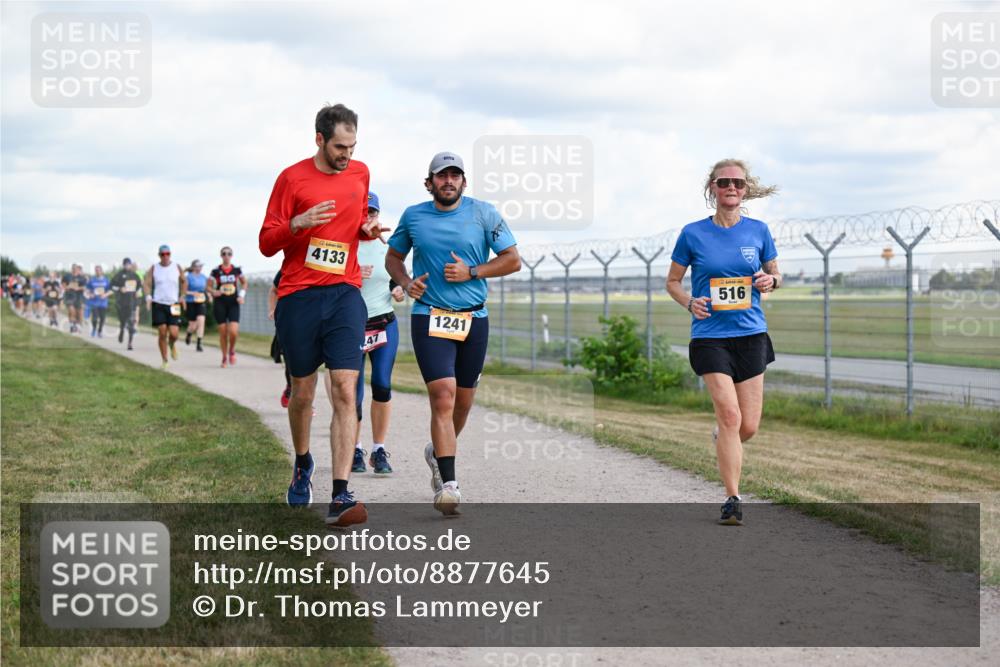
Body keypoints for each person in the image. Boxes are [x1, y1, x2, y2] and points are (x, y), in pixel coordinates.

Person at [258, 103, 384, 527]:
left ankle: (340, 494)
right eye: (339, 147)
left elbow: (354, 222)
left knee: (346, 390)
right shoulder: (291, 178)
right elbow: (266, 243)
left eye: (352, 146)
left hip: (345, 293)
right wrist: (298, 222)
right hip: (299, 295)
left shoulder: (360, 173)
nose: (347, 155)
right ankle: (302, 463)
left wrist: (365, 229)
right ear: (319, 139)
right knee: (303, 392)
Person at [386, 151, 521, 516]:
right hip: (430, 315)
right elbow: (393, 258)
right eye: (441, 175)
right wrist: (406, 283)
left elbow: (512, 259)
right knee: (443, 397)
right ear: (429, 182)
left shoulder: (484, 213)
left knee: (462, 402)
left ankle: (437, 452)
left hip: (473, 317)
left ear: (464, 181)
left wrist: (472, 272)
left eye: (455, 175)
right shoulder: (413, 216)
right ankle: (449, 485)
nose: (448, 181)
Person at [666, 158, 781, 526]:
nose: (732, 187)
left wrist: (771, 281)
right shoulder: (692, 233)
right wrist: (689, 302)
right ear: (712, 188)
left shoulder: (759, 231)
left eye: (738, 183)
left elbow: (776, 274)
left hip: (751, 335)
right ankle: (733, 499)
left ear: (745, 190)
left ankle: (723, 438)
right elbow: (672, 281)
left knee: (748, 426)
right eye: (724, 182)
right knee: (730, 415)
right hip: (710, 336)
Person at [341, 192, 405, 476]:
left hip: (384, 323)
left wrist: (399, 289)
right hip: (352, 326)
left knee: (381, 384)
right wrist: (353, 274)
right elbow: (328, 281)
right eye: (363, 211)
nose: (368, 217)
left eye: (372, 212)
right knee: (352, 393)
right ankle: (355, 448)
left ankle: (379, 449)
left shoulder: (387, 247)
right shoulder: (345, 244)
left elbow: (396, 279)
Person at [144, 245, 186, 369]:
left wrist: (183, 296)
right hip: (159, 303)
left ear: (170, 254)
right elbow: (146, 284)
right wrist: (148, 298)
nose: (165, 256)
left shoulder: (177, 267)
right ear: (159, 255)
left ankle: (172, 344)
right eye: (163, 254)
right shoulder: (154, 268)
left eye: (167, 254)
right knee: (162, 331)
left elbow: (184, 282)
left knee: (174, 334)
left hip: (174, 304)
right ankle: (165, 360)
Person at [209, 247, 247, 367]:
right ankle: (224, 357)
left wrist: (241, 295)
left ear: (232, 255)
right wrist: (213, 292)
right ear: (221, 255)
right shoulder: (215, 271)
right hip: (220, 302)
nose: (226, 256)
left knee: (233, 331)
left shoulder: (236, 270)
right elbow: (208, 286)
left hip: (233, 302)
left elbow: (244, 283)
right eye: (224, 253)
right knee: (223, 332)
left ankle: (232, 350)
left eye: (229, 254)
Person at [110, 258, 143, 350]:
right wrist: (120, 289)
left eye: (129, 264)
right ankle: (121, 330)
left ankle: (130, 343)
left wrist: (138, 292)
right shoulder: (119, 275)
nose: (127, 266)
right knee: (123, 322)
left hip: (132, 302)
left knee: (131, 323)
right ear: (123, 265)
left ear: (131, 265)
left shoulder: (135, 275)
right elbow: (112, 286)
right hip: (121, 303)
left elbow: (139, 286)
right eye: (126, 264)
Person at [184, 260, 208, 352]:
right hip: (191, 301)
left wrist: (209, 295)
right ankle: (189, 334)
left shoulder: (203, 277)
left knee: (201, 321)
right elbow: (184, 291)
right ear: (194, 267)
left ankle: (199, 343)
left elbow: (206, 289)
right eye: (198, 266)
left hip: (201, 301)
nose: (200, 268)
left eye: (201, 266)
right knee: (193, 325)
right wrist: (192, 293)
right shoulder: (188, 277)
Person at [85, 265, 111, 337]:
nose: (97, 271)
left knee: (102, 318)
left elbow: (110, 290)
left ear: (102, 271)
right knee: (95, 318)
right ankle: (94, 329)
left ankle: (100, 331)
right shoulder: (92, 280)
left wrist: (105, 295)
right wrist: (90, 294)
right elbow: (87, 289)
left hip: (103, 302)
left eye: (99, 270)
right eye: (96, 270)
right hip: (94, 302)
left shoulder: (106, 280)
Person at [62, 264, 87, 333]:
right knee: (71, 310)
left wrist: (78, 288)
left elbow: (85, 287)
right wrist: (67, 287)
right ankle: (72, 325)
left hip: (79, 296)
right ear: (71, 269)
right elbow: (63, 285)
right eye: (73, 268)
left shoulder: (82, 277)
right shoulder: (67, 276)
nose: (74, 269)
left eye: (76, 268)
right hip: (69, 296)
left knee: (79, 312)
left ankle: (78, 325)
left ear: (78, 269)